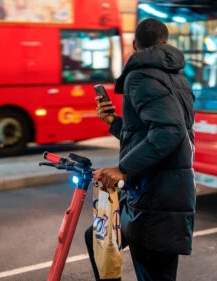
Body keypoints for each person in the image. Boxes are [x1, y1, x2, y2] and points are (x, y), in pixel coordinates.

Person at [85, 18, 196, 281]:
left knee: (154, 272)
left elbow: (169, 131)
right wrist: (114, 123)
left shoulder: (139, 76)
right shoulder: (179, 78)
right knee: (97, 236)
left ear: (135, 45)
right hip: (163, 192)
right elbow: (155, 130)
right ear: (165, 42)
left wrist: (123, 169)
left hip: (155, 196)